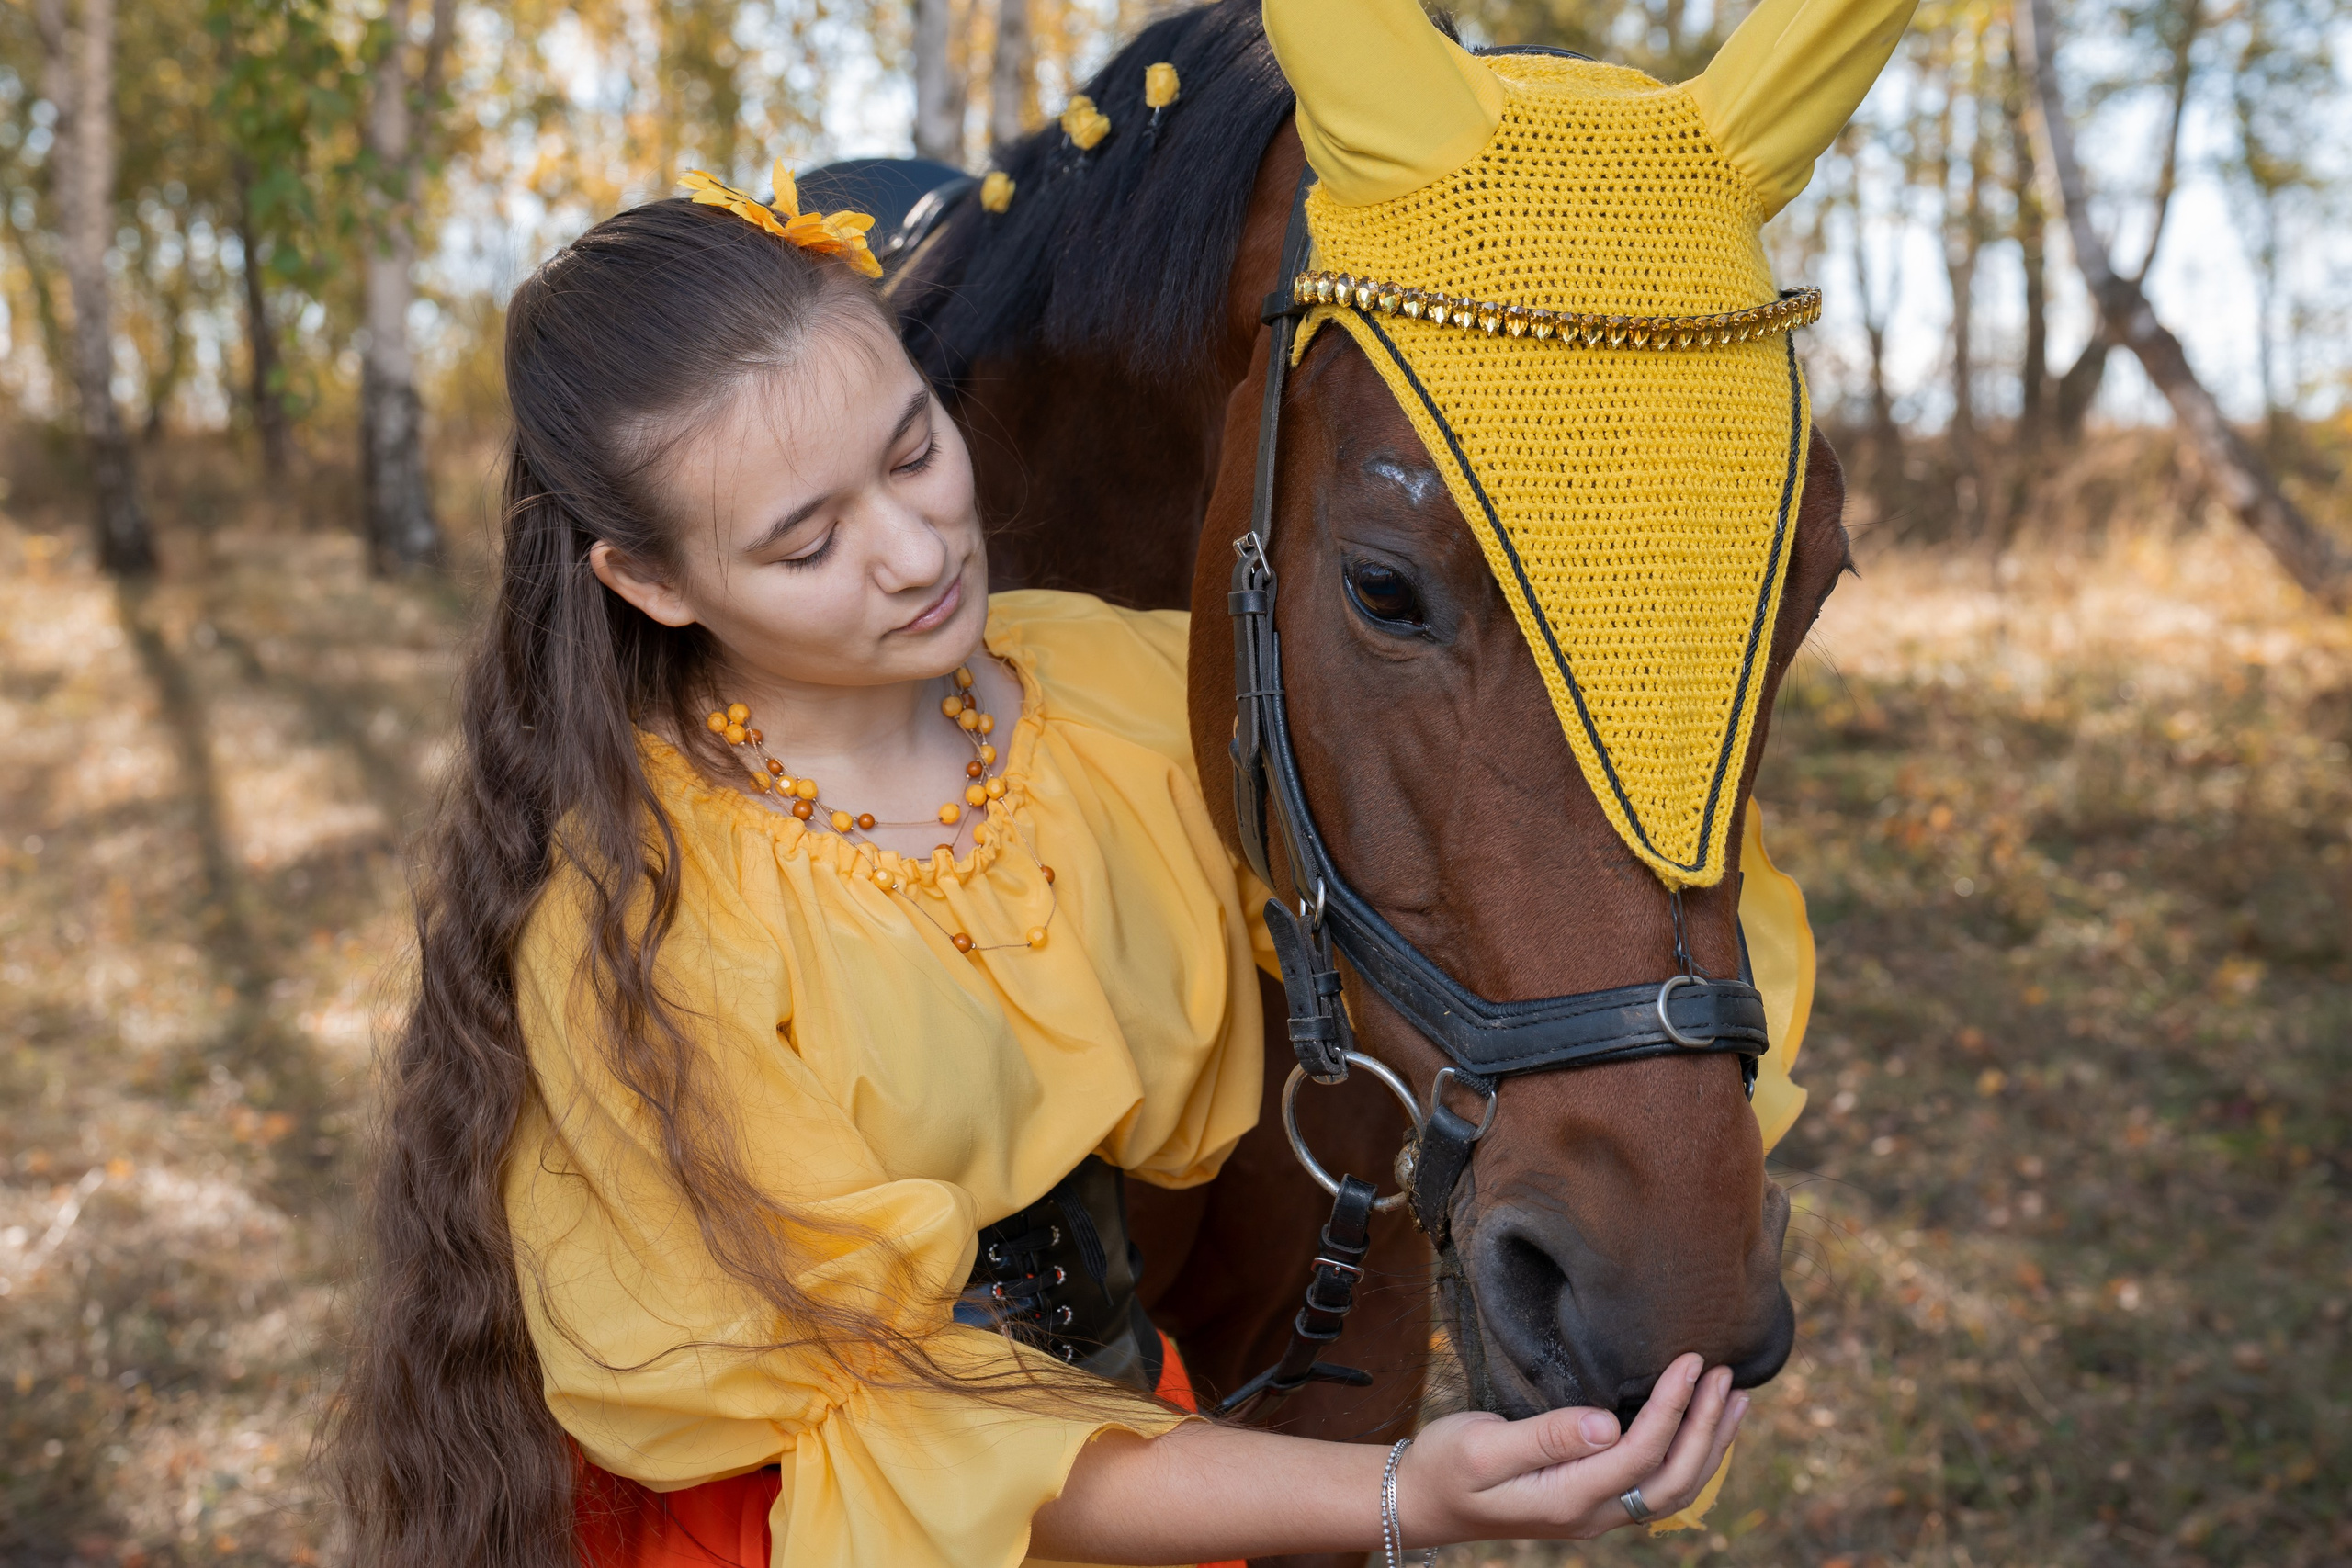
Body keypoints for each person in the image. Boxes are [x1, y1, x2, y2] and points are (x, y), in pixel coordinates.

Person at [327, 159, 1744, 1568]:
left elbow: (1468, 880)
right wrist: (1391, 1497)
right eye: (807, 541)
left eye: (910, 447)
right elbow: (904, 1440)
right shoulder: (648, 926)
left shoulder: (1109, 700)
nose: (913, 548)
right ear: (651, 582)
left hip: (1137, 1456)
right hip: (849, 1524)